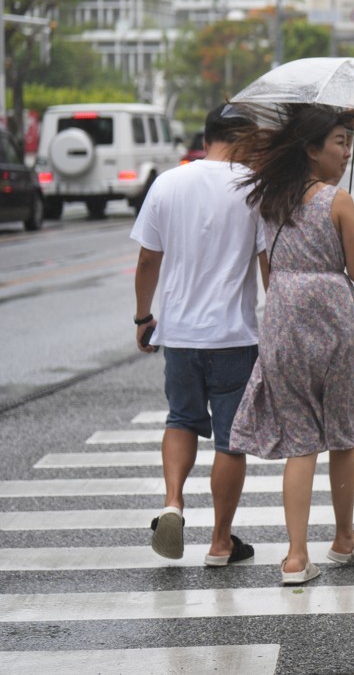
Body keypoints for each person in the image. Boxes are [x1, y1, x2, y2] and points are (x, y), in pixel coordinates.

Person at [228, 104, 354, 586]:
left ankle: (295, 557)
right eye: (339, 142)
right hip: (333, 317)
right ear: (312, 150)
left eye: (348, 142)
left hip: (283, 316)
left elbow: (269, 268)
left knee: (301, 441)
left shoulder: (271, 199)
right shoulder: (339, 200)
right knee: (341, 431)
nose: (346, 152)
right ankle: (344, 538)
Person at [131, 105, 268, 566]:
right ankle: (220, 543)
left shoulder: (169, 182)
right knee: (231, 442)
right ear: (244, 138)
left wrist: (142, 317)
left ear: (207, 136)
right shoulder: (254, 190)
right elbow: (269, 267)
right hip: (234, 336)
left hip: (181, 335)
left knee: (181, 420)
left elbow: (148, 260)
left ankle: (173, 502)